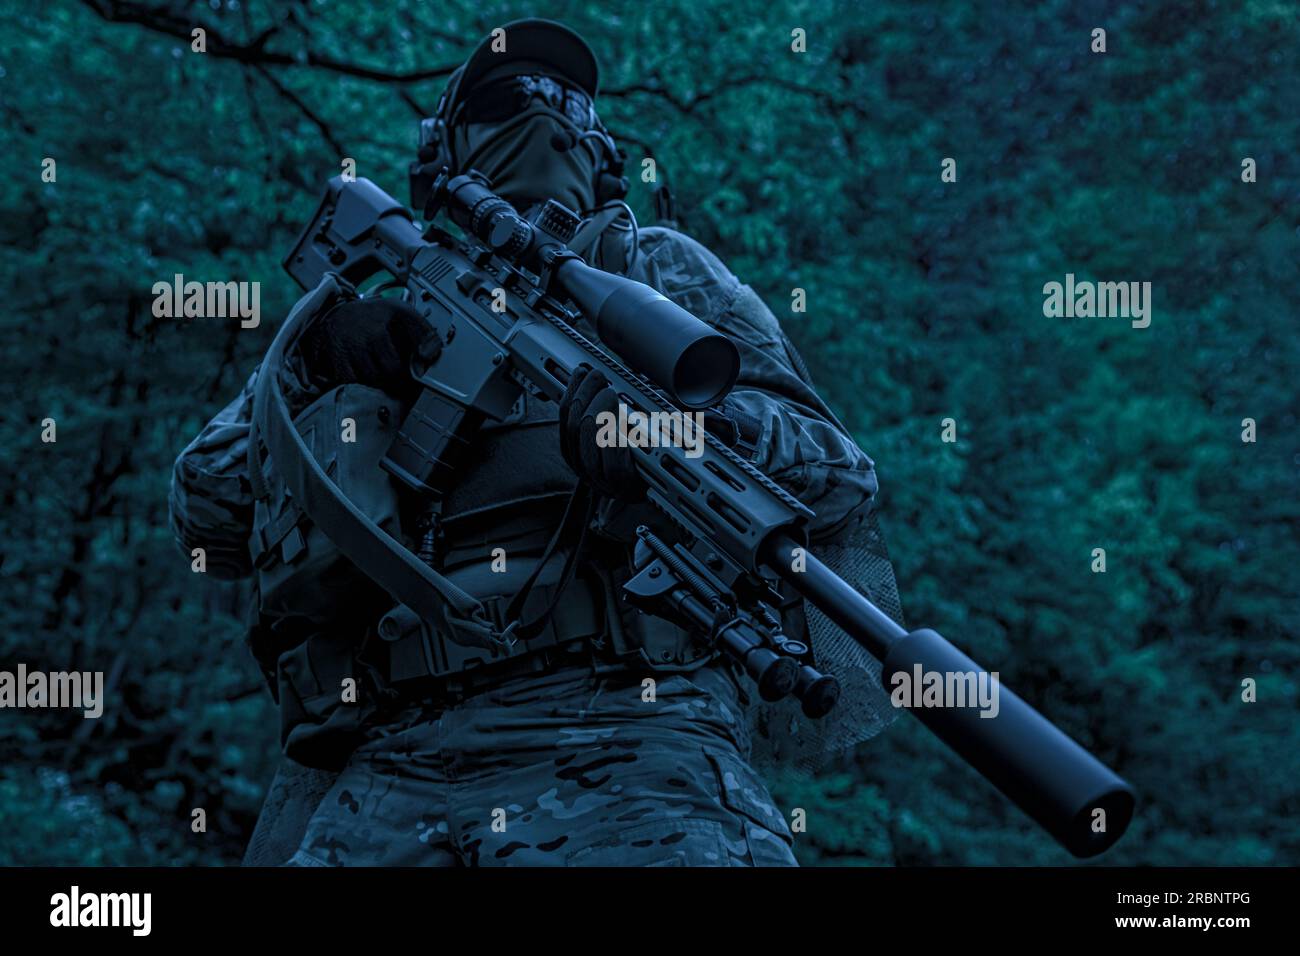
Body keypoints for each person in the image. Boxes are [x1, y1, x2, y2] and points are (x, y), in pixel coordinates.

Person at [170, 18, 889, 867]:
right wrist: (314, 358)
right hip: (389, 752)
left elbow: (840, 473)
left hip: (633, 732)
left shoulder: (659, 272)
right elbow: (203, 512)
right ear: (446, 150)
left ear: (601, 146)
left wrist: (687, 434)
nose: (545, 116)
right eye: (510, 98)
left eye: (568, 101)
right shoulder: (374, 297)